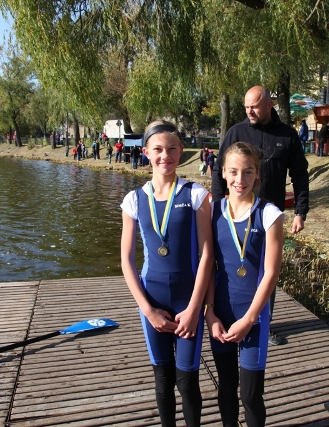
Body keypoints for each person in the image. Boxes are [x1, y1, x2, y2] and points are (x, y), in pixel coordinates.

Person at [120, 121, 214, 427]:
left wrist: (195, 309)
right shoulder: (134, 200)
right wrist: (148, 311)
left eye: (172, 149)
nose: (166, 155)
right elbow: (126, 262)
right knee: (162, 379)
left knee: (187, 380)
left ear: (181, 151)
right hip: (153, 303)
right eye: (158, 149)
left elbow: (207, 255)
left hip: (189, 304)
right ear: (146, 152)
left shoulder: (196, 194)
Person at [211, 85, 309, 346]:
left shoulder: (287, 135)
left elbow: (300, 174)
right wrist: (218, 207)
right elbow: (219, 170)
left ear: (269, 105)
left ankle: (264, 323)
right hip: (234, 215)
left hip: (267, 219)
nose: (249, 111)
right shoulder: (236, 132)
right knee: (228, 267)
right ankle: (225, 316)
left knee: (267, 271)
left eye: (254, 106)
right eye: (246, 107)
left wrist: (300, 211)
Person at [204, 142, 284, 427]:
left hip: (254, 320)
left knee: (250, 395)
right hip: (220, 316)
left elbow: (271, 273)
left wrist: (249, 319)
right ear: (223, 173)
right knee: (226, 388)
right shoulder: (212, 212)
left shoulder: (270, 214)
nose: (240, 179)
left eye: (248, 172)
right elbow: (208, 266)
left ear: (257, 174)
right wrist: (209, 313)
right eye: (234, 171)